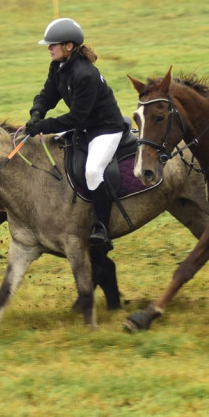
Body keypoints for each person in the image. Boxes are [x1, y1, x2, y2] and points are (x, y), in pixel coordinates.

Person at [22, 18, 126, 249]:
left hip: (105, 129)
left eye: (53, 44)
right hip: (85, 126)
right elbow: (48, 94)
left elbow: (76, 117)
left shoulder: (84, 74)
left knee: (92, 171)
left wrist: (43, 126)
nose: (48, 48)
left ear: (69, 46)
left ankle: (102, 228)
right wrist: (37, 112)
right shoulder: (59, 67)